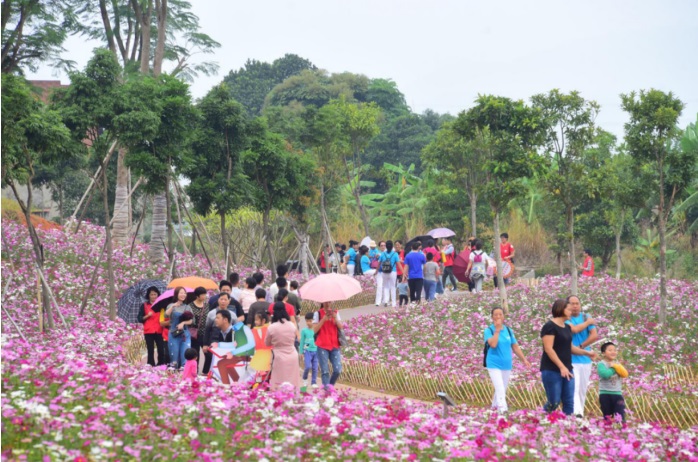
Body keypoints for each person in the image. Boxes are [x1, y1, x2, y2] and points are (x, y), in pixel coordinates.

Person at [540, 299, 597, 415]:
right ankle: (541, 419)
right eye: (569, 310)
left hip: (567, 369)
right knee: (554, 402)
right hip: (552, 369)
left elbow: (570, 347)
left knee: (569, 402)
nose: (571, 312)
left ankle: (568, 427)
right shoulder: (549, 326)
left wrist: (587, 353)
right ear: (561, 310)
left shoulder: (566, 328)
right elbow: (548, 349)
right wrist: (561, 367)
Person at [484, 307, 531, 413]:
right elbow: (493, 344)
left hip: (506, 364)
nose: (498, 317)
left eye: (500, 314)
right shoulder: (489, 330)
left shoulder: (508, 331)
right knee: (500, 388)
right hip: (494, 363)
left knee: (502, 388)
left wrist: (523, 359)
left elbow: (515, 346)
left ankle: (494, 409)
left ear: (503, 316)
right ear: (492, 317)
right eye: (495, 315)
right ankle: (503, 411)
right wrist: (497, 330)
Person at [565, 295, 598, 417]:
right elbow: (574, 330)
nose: (575, 306)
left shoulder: (585, 316)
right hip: (571, 359)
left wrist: (582, 346)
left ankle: (580, 413)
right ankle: (577, 414)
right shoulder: (566, 318)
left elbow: (594, 335)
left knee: (582, 389)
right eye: (572, 303)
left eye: (577, 303)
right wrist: (588, 323)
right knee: (574, 387)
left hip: (585, 358)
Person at [201, 293, 244, 374]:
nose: (223, 301)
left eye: (225, 299)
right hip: (214, 338)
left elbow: (236, 329)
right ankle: (208, 374)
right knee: (211, 358)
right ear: (218, 300)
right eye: (221, 299)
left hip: (227, 340)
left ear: (229, 301)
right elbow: (207, 329)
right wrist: (205, 344)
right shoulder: (211, 313)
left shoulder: (233, 315)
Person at [212, 308, 255, 385]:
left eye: (218, 318)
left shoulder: (235, 332)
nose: (215, 320)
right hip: (235, 354)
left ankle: (226, 386)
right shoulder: (220, 332)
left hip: (245, 354)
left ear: (225, 320)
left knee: (221, 363)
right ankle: (237, 382)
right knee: (225, 361)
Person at [265, 302, 301, 392]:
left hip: (279, 356)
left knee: (279, 382)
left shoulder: (272, 327)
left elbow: (267, 343)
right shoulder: (292, 325)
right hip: (292, 355)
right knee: (293, 381)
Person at [313, 302, 343, 387]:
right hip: (322, 345)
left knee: (338, 369)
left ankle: (330, 386)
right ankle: (327, 391)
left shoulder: (336, 312)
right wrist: (323, 319)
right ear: (322, 302)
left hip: (334, 345)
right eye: (326, 301)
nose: (328, 303)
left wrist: (335, 319)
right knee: (325, 371)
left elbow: (341, 327)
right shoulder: (317, 313)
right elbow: (314, 330)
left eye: (330, 301)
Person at [597, 342, 628, 423]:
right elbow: (605, 375)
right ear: (603, 353)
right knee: (607, 416)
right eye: (610, 350)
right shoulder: (601, 364)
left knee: (620, 415)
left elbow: (625, 374)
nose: (613, 352)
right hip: (605, 394)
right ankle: (608, 432)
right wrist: (613, 368)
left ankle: (621, 431)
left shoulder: (617, 365)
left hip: (617, 394)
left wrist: (615, 366)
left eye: (614, 350)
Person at [165, 287, 194, 370]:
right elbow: (166, 315)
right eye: (181, 293)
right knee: (174, 357)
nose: (183, 295)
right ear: (176, 294)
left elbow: (192, 321)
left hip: (185, 334)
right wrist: (173, 306)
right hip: (174, 334)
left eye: (184, 293)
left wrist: (183, 323)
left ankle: (184, 372)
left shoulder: (187, 307)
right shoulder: (171, 305)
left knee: (185, 354)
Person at [138, 286, 166, 366]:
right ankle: (151, 364)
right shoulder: (144, 305)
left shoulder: (161, 305)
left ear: (158, 295)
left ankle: (161, 364)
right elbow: (140, 319)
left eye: (155, 294)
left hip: (160, 330)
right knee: (150, 350)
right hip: (148, 331)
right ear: (148, 296)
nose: (153, 296)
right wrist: (147, 316)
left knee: (161, 349)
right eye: (152, 294)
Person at [188, 287, 209, 363]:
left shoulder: (207, 305)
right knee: (195, 354)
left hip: (205, 333)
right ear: (197, 296)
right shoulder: (190, 306)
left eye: (205, 294)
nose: (204, 296)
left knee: (208, 353)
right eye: (202, 295)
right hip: (194, 333)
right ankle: (195, 371)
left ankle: (205, 371)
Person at [249, 311, 272, 379]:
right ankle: (259, 385)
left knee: (265, 371)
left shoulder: (269, 328)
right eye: (255, 320)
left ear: (263, 320)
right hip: (258, 354)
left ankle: (264, 384)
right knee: (258, 371)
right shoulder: (253, 330)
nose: (255, 322)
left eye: (257, 320)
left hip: (268, 353)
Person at [300, 312, 319, 390]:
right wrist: (301, 351)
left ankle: (314, 382)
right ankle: (304, 378)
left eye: (310, 321)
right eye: (307, 321)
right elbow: (302, 342)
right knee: (308, 366)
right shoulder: (304, 331)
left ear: (314, 320)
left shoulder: (316, 330)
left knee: (315, 368)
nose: (308, 323)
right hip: (307, 350)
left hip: (316, 350)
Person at [378, 240, 400, 307]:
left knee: (385, 287)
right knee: (393, 287)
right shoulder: (395, 254)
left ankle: (386, 301)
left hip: (384, 272)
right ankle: (393, 303)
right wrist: (403, 272)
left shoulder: (382, 254)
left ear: (386, 247)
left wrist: (376, 271)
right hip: (393, 272)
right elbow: (398, 264)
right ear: (392, 246)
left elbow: (379, 263)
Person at [372, 241, 386, 306]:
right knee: (379, 286)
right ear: (379, 247)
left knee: (386, 286)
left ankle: (385, 300)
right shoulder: (378, 254)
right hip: (380, 272)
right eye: (381, 245)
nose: (383, 247)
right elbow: (375, 261)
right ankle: (378, 302)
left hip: (387, 272)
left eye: (384, 245)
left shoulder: (388, 253)